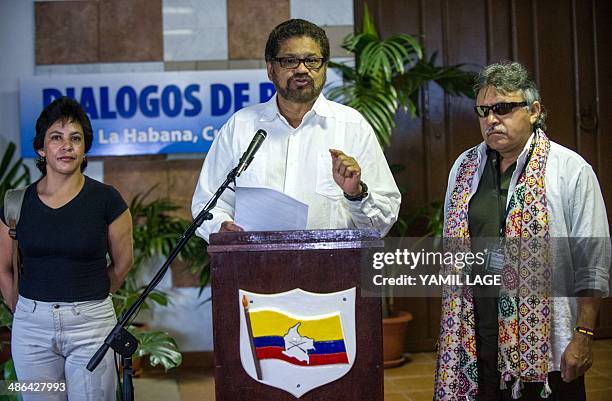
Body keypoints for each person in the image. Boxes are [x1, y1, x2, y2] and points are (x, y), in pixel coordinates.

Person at [434, 62, 610, 401]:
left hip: (545, 344)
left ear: (533, 111)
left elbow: (593, 262)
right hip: (476, 336)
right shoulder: (464, 168)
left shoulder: (569, 170)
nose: (490, 119)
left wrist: (584, 334)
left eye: (502, 108)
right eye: (483, 111)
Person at [191, 19, 400, 241]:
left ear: (325, 68)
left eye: (312, 61)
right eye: (290, 61)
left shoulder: (352, 127)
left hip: (332, 268)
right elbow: (207, 203)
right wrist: (222, 228)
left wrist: (356, 193)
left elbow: (382, 222)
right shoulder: (241, 127)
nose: (302, 69)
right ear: (271, 69)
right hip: (256, 267)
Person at [0, 97, 133, 401]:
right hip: (31, 330)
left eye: (76, 138)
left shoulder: (107, 199)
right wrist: (21, 310)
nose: (67, 146)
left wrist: (91, 301)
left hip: (91, 326)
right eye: (56, 138)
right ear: (41, 148)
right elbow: (3, 267)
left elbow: (123, 263)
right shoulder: (15, 202)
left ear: (85, 147)